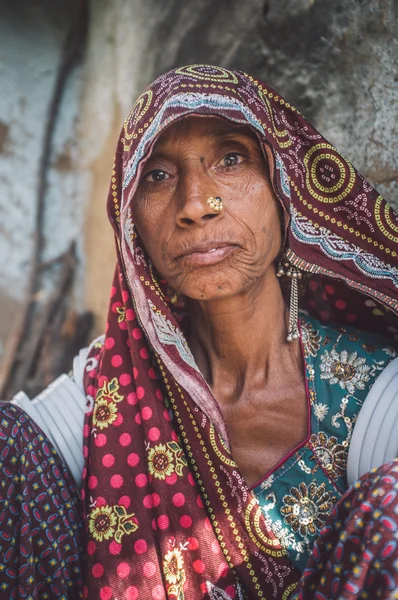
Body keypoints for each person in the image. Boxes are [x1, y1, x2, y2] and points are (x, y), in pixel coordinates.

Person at [1, 64, 398, 599]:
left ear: (285, 192)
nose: (194, 205)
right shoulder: (118, 382)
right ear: (131, 220)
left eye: (231, 159)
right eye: (158, 175)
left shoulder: (370, 395)